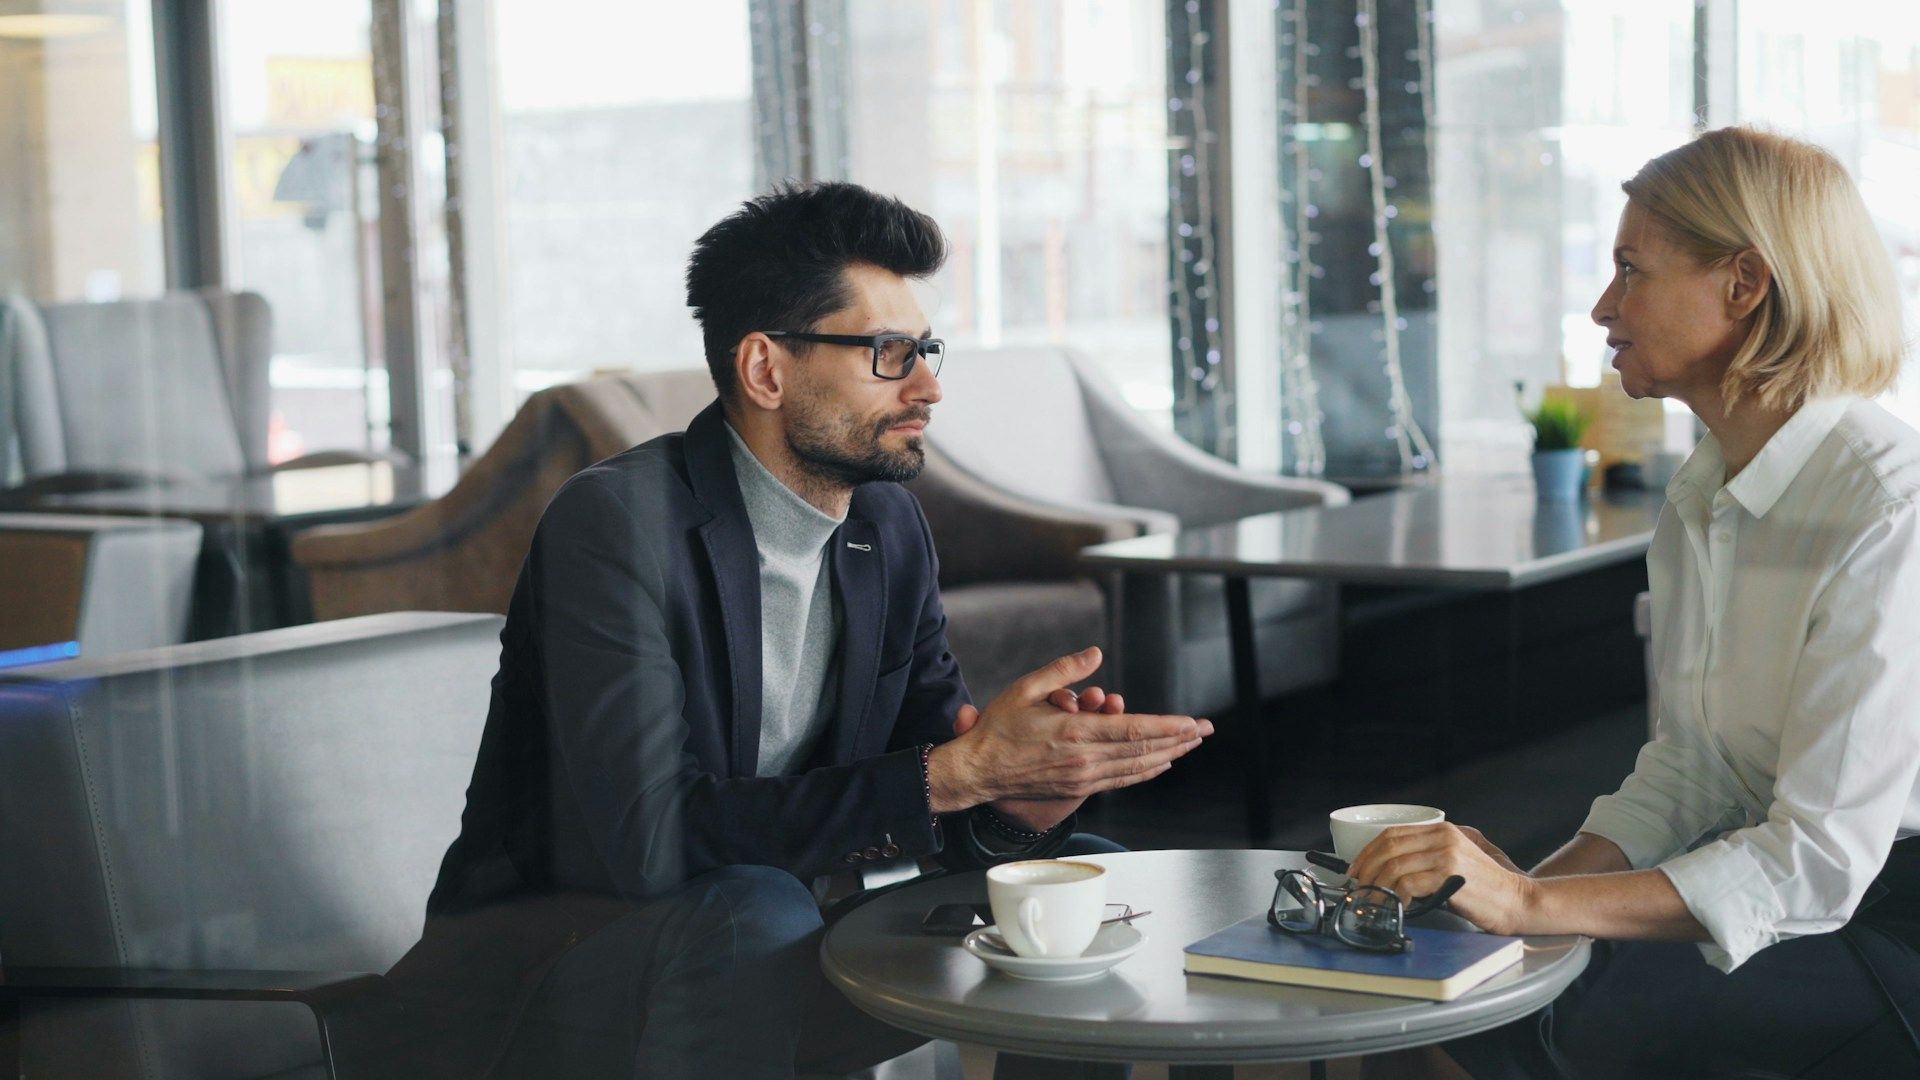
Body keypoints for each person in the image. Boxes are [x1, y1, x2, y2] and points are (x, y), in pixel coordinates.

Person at [368, 181, 1213, 1080]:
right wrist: (954, 774)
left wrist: (1016, 804)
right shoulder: (617, 524)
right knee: (756, 908)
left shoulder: (886, 527)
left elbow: (923, 787)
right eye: (889, 352)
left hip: (782, 929)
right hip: (567, 967)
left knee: (1080, 872)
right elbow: (651, 840)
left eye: (925, 349)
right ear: (767, 370)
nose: (927, 384)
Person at [1351, 127, 1920, 1077]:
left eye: (1630, 269)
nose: (1603, 305)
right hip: (1778, 877)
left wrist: (1530, 911)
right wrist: (1517, 895)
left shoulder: (1887, 505)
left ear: (1745, 284)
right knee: (1436, 994)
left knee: (1560, 1028)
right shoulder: (1706, 494)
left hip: (1892, 916)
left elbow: (1820, 861)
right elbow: (1693, 767)